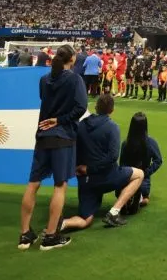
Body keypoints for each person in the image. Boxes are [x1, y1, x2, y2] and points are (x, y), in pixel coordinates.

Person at [18, 45, 87, 251]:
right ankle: (50, 236)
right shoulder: (75, 79)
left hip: (42, 136)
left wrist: (54, 119)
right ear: (73, 59)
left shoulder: (44, 79)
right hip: (62, 137)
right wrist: (60, 120)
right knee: (60, 185)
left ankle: (24, 235)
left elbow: (45, 100)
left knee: (33, 184)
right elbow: (80, 108)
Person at [60, 94, 144, 233]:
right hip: (107, 176)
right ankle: (114, 212)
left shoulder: (81, 125)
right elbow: (112, 157)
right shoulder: (112, 127)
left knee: (85, 219)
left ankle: (62, 223)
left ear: (96, 107)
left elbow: (72, 147)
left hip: (86, 181)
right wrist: (90, 169)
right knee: (139, 174)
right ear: (112, 110)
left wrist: (78, 168)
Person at [118, 112, 162, 213]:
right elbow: (158, 160)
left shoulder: (126, 143)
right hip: (143, 178)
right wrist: (147, 172)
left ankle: (126, 197)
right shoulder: (150, 142)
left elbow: (122, 164)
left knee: (125, 188)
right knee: (146, 196)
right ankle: (141, 197)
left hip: (128, 176)